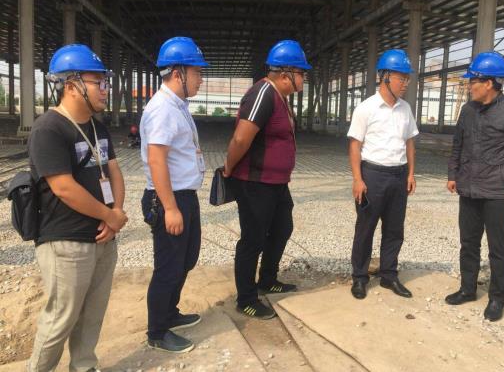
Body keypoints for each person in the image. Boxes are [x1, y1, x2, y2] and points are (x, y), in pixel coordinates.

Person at [28, 44, 127, 372]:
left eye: (105, 82)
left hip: (103, 237)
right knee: (61, 319)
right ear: (71, 85)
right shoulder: (49, 128)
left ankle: (83, 366)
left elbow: (114, 171)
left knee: (92, 316)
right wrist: (109, 215)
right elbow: (63, 188)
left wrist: (116, 215)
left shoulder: (98, 127)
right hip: (67, 241)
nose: (105, 89)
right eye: (98, 82)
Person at [223, 40, 311, 319]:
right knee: (253, 240)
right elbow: (240, 138)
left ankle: (268, 279)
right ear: (286, 74)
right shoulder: (262, 93)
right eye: (301, 73)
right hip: (255, 183)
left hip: (276, 182)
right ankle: (246, 299)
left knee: (283, 227)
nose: (304, 78)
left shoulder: (280, 97)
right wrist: (228, 169)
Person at [445, 51, 504, 321]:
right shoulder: (467, 110)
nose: (469, 86)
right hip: (469, 188)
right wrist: (453, 174)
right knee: (468, 243)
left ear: (489, 83)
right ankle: (467, 289)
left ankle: (497, 299)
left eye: (473, 81)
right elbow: (458, 145)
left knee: (498, 247)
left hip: (497, 192)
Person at [140, 37, 207, 352]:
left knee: (186, 259)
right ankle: (157, 331)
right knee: (168, 267)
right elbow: (157, 160)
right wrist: (170, 208)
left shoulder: (178, 106)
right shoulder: (163, 108)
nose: (201, 79)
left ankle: (169, 312)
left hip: (184, 196)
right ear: (179, 73)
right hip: (169, 198)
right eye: (197, 72)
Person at [348, 49, 418, 300]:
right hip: (373, 175)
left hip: (399, 176)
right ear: (385, 77)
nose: (405, 84)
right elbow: (355, 145)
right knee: (365, 228)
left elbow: (409, 142)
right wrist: (358, 179)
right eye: (401, 78)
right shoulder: (366, 108)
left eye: (407, 78)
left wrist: (411, 173)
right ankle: (359, 277)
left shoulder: (405, 109)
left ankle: (389, 275)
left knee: (395, 229)